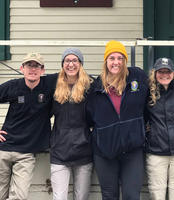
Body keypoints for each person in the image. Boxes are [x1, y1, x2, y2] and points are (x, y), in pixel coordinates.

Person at [86, 40, 148, 200]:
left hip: (133, 149)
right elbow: (89, 118)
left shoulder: (137, 77)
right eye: (112, 58)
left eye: (120, 58)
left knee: (131, 196)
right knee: (109, 196)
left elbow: (155, 90)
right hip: (105, 152)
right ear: (106, 61)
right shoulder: (95, 88)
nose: (116, 62)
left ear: (125, 61)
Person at [0, 53, 57, 200]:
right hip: (3, 149)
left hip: (26, 153)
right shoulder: (13, 86)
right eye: (29, 65)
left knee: (19, 196)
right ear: (22, 68)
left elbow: (73, 69)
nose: (33, 69)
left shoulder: (49, 84)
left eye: (36, 66)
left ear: (43, 70)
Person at [50, 48, 93, 200]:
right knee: (59, 197)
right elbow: (36, 112)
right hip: (59, 151)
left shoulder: (90, 87)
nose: (71, 64)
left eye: (75, 60)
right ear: (62, 64)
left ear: (81, 64)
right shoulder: (53, 86)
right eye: (67, 60)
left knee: (81, 197)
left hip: (84, 150)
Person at [145, 57, 174, 200]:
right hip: (156, 151)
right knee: (156, 193)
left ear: (173, 73)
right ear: (155, 73)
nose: (164, 75)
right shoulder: (147, 92)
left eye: (168, 71)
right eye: (161, 71)